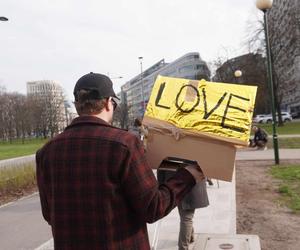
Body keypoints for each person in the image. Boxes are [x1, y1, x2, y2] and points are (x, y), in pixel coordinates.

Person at [36, 72, 205, 250]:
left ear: (77, 105)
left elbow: (49, 214)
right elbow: (153, 207)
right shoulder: (124, 144)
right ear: (109, 103)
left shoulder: (46, 152)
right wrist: (188, 175)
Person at [157, 158, 209, 250]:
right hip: (188, 175)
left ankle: (190, 237)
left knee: (185, 214)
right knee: (186, 217)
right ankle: (184, 247)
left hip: (172, 177)